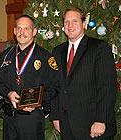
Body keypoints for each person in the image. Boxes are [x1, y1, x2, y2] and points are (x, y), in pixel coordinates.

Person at [50, 7, 117, 140]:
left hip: (93, 125)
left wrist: (101, 120)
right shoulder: (57, 52)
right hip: (66, 124)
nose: (70, 25)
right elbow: (55, 86)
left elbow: (107, 86)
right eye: (67, 21)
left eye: (75, 21)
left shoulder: (99, 48)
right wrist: (55, 116)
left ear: (84, 24)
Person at [0, 15, 60, 140]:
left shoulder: (45, 57)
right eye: (19, 28)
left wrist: (37, 101)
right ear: (14, 31)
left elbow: (55, 86)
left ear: (34, 32)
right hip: (9, 117)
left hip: (31, 119)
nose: (22, 32)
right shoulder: (6, 55)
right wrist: (8, 93)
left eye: (26, 28)